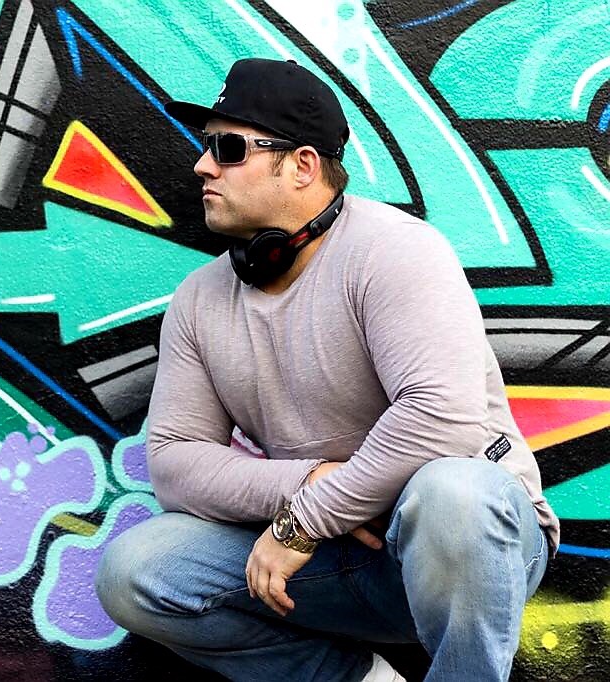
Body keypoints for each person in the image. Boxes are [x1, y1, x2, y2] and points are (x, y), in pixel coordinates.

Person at [94, 58, 558, 682]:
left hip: (466, 552)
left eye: (228, 149)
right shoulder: (199, 300)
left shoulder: (396, 250)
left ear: (303, 165)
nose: (203, 165)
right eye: (207, 146)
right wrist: (310, 484)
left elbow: (441, 417)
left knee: (455, 494)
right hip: (327, 563)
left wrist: (305, 518)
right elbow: (175, 463)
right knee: (136, 570)